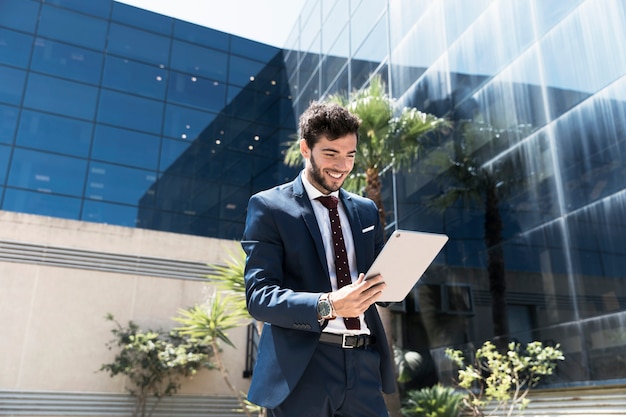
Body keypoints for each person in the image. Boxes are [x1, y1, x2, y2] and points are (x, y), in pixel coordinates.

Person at [241, 101, 396, 417]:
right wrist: (330, 305)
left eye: (350, 154)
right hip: (303, 368)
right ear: (305, 148)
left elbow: (382, 287)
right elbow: (259, 298)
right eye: (331, 153)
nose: (343, 165)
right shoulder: (269, 207)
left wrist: (399, 276)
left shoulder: (366, 210)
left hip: (364, 362)